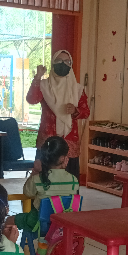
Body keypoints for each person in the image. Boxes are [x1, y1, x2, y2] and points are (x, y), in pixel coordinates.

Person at [27, 50, 90, 178]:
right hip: (48, 139)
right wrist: (38, 77)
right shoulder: (44, 85)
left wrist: (75, 111)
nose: (63, 64)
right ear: (53, 63)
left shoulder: (77, 89)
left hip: (69, 139)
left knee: (68, 180)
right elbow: (32, 99)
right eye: (59, 61)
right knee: (43, 179)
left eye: (67, 61)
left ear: (71, 65)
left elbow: (86, 112)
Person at [6, 135, 79, 233]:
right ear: (63, 158)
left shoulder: (38, 179)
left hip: (39, 223)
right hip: (63, 224)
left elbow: (27, 193)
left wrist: (35, 172)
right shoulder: (73, 180)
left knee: (9, 220)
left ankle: (6, 242)